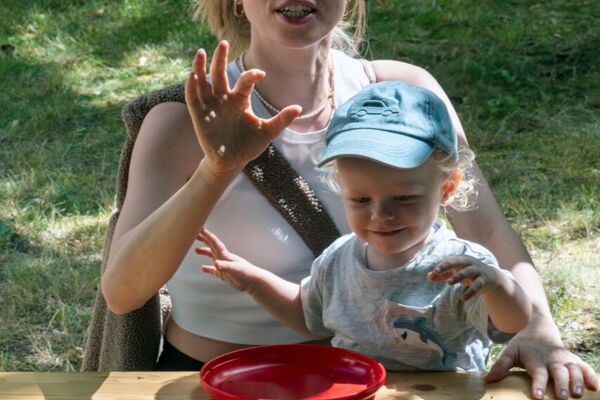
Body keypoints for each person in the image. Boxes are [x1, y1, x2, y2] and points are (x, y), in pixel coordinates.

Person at [98, 0, 597, 398]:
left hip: (378, 380)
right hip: (219, 378)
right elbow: (123, 292)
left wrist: (539, 330)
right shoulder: (180, 120)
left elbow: (484, 229)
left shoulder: (405, 93)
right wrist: (216, 170)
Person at [196, 80, 533, 371]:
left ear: (446, 188)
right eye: (360, 200)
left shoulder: (464, 266)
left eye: (403, 198)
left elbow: (512, 323)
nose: (381, 214)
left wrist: (498, 285)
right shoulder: (338, 259)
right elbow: (308, 316)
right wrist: (253, 281)